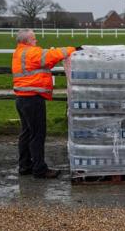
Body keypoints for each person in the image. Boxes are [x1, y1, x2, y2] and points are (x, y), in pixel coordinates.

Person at [12, 29, 82, 178]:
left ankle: (24, 166)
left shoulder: (19, 52)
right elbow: (51, 55)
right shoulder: (31, 52)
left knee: (26, 133)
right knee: (37, 134)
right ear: (27, 41)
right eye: (34, 39)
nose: (36, 41)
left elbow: (45, 62)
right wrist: (73, 49)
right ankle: (39, 169)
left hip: (22, 99)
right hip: (33, 99)